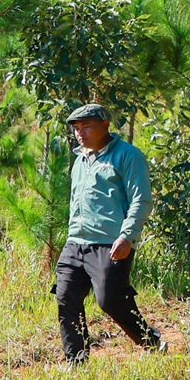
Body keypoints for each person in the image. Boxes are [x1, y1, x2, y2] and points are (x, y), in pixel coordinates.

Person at [57, 103, 163, 363]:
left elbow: (141, 200)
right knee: (66, 296)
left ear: (105, 126)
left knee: (109, 299)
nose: (80, 133)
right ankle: (76, 360)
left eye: (87, 127)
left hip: (111, 241)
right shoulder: (81, 159)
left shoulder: (128, 156)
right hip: (76, 241)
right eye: (77, 129)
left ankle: (150, 340)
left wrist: (127, 236)